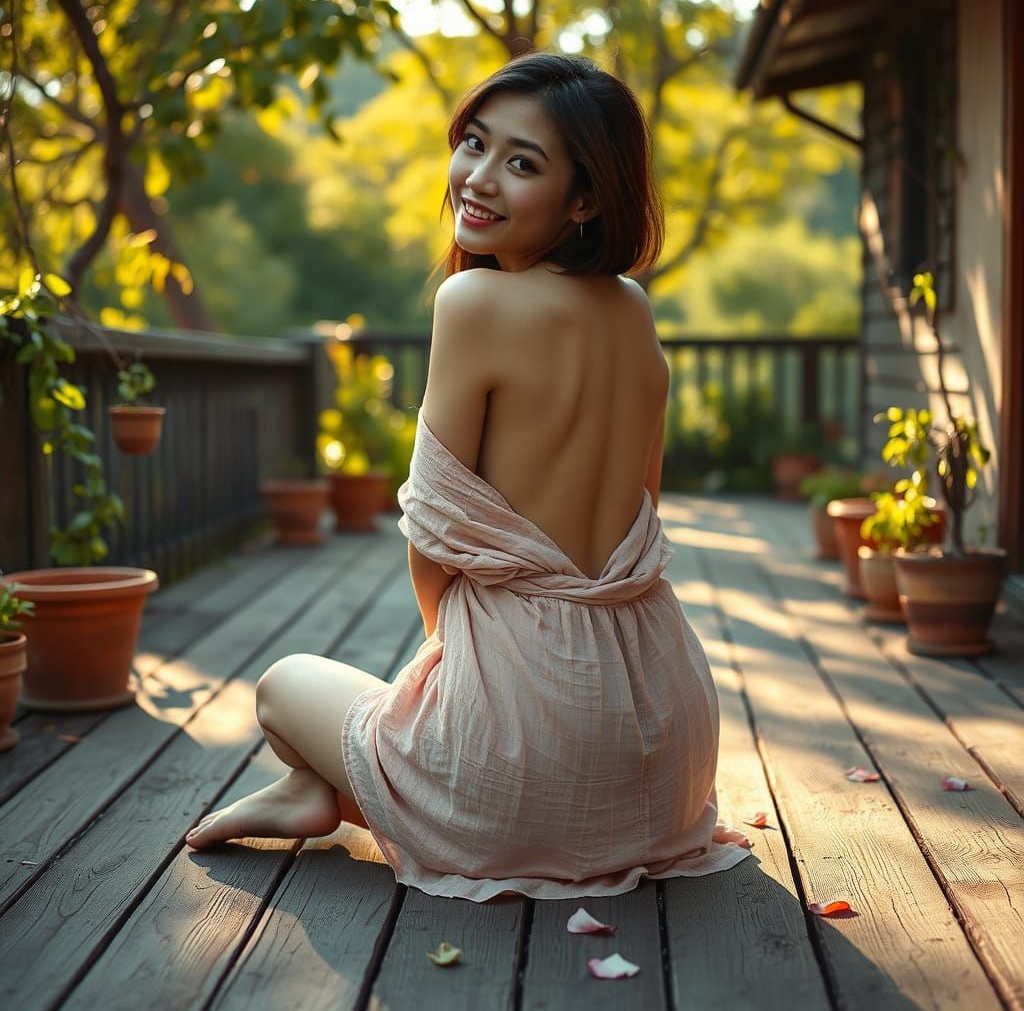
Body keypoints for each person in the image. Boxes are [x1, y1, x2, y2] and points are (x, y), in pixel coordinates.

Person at [185, 51, 752, 901]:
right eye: (474, 145)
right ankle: (323, 794)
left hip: (521, 763)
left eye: (522, 163)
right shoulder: (635, 310)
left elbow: (433, 538)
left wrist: (459, 689)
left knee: (281, 685)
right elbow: (646, 505)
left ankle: (336, 792)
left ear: (586, 198)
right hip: (663, 750)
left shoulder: (473, 303)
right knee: (415, 719)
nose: (478, 180)